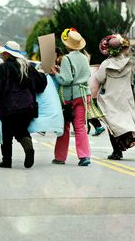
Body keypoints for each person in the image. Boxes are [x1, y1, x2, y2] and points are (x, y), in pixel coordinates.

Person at [0, 40, 47, 169]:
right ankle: (27, 143)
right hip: (28, 107)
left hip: (8, 107)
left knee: (7, 132)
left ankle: (7, 161)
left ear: (7, 54)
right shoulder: (27, 67)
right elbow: (41, 85)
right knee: (21, 129)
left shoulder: (2, 68)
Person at [96, 34, 135, 160]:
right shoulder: (127, 63)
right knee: (126, 120)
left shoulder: (106, 64)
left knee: (112, 124)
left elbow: (99, 78)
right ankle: (128, 143)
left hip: (111, 97)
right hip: (125, 96)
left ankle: (117, 151)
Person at [50, 28, 91, 166]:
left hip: (70, 97)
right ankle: (84, 156)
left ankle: (60, 157)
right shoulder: (85, 57)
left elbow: (66, 80)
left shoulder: (67, 58)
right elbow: (79, 75)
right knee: (80, 127)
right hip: (84, 95)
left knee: (65, 127)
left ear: (68, 45)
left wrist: (55, 73)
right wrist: (61, 71)